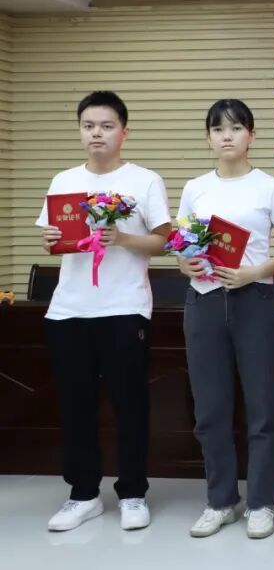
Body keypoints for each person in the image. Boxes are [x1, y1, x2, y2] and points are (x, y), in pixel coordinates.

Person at [37, 91, 171, 532]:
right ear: (80, 131)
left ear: (123, 132)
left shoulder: (144, 180)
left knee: (129, 404)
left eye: (107, 126)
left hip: (124, 307)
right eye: (89, 126)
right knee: (75, 406)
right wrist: (50, 239)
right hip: (69, 310)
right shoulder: (63, 180)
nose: (97, 133)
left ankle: (132, 493)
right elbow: (53, 238)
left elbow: (165, 240)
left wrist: (123, 238)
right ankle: (83, 494)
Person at [176, 99, 274, 539]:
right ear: (208, 138)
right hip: (203, 300)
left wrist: (253, 272)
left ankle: (262, 501)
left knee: (262, 407)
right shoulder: (195, 188)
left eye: (236, 128)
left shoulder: (270, 187)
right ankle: (221, 500)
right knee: (210, 409)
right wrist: (185, 263)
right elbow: (184, 247)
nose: (227, 136)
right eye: (218, 129)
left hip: (253, 299)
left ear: (251, 135)